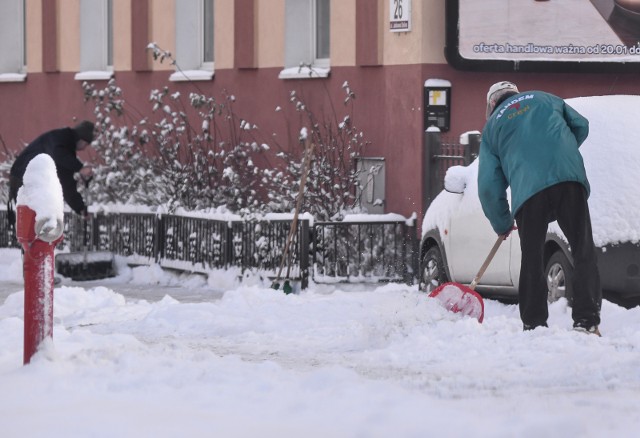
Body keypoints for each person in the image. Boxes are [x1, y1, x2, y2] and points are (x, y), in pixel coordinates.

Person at [477, 81, 602, 335]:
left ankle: (534, 325)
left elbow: (489, 186)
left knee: (533, 258)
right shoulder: (546, 98)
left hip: (528, 191)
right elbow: (581, 125)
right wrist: (559, 151)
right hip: (569, 178)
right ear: (516, 93)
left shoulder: (492, 127)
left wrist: (501, 223)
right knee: (582, 249)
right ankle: (586, 320)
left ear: (492, 104)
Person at [6, 120, 95, 232]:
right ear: (82, 139)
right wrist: (80, 168)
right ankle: (34, 246)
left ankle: (35, 247)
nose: (84, 148)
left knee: (36, 227)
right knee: (35, 225)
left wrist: (80, 208)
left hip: (26, 180)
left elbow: (66, 183)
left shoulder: (63, 145)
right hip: (24, 179)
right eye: (86, 144)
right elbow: (59, 154)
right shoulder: (61, 140)